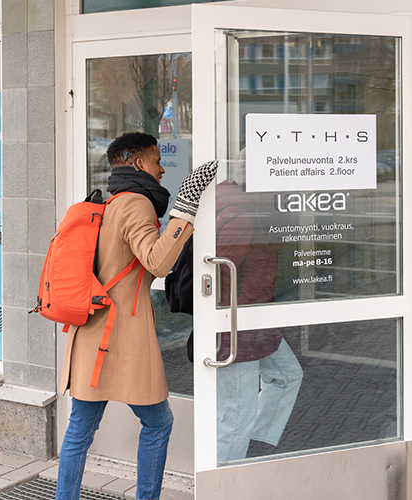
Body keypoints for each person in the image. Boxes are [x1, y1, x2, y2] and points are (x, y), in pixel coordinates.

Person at [55, 132, 217, 500]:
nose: (162, 170)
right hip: (121, 337)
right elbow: (157, 262)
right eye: (157, 161)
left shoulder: (111, 200)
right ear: (139, 163)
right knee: (159, 423)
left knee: (80, 428)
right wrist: (185, 207)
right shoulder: (135, 203)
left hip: (91, 334)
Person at [213, 163, 303, 463]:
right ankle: (223, 481)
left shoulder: (251, 209)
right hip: (239, 325)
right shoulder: (242, 217)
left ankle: (253, 443)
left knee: (287, 375)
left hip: (256, 318)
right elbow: (216, 275)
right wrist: (227, 323)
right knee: (236, 415)